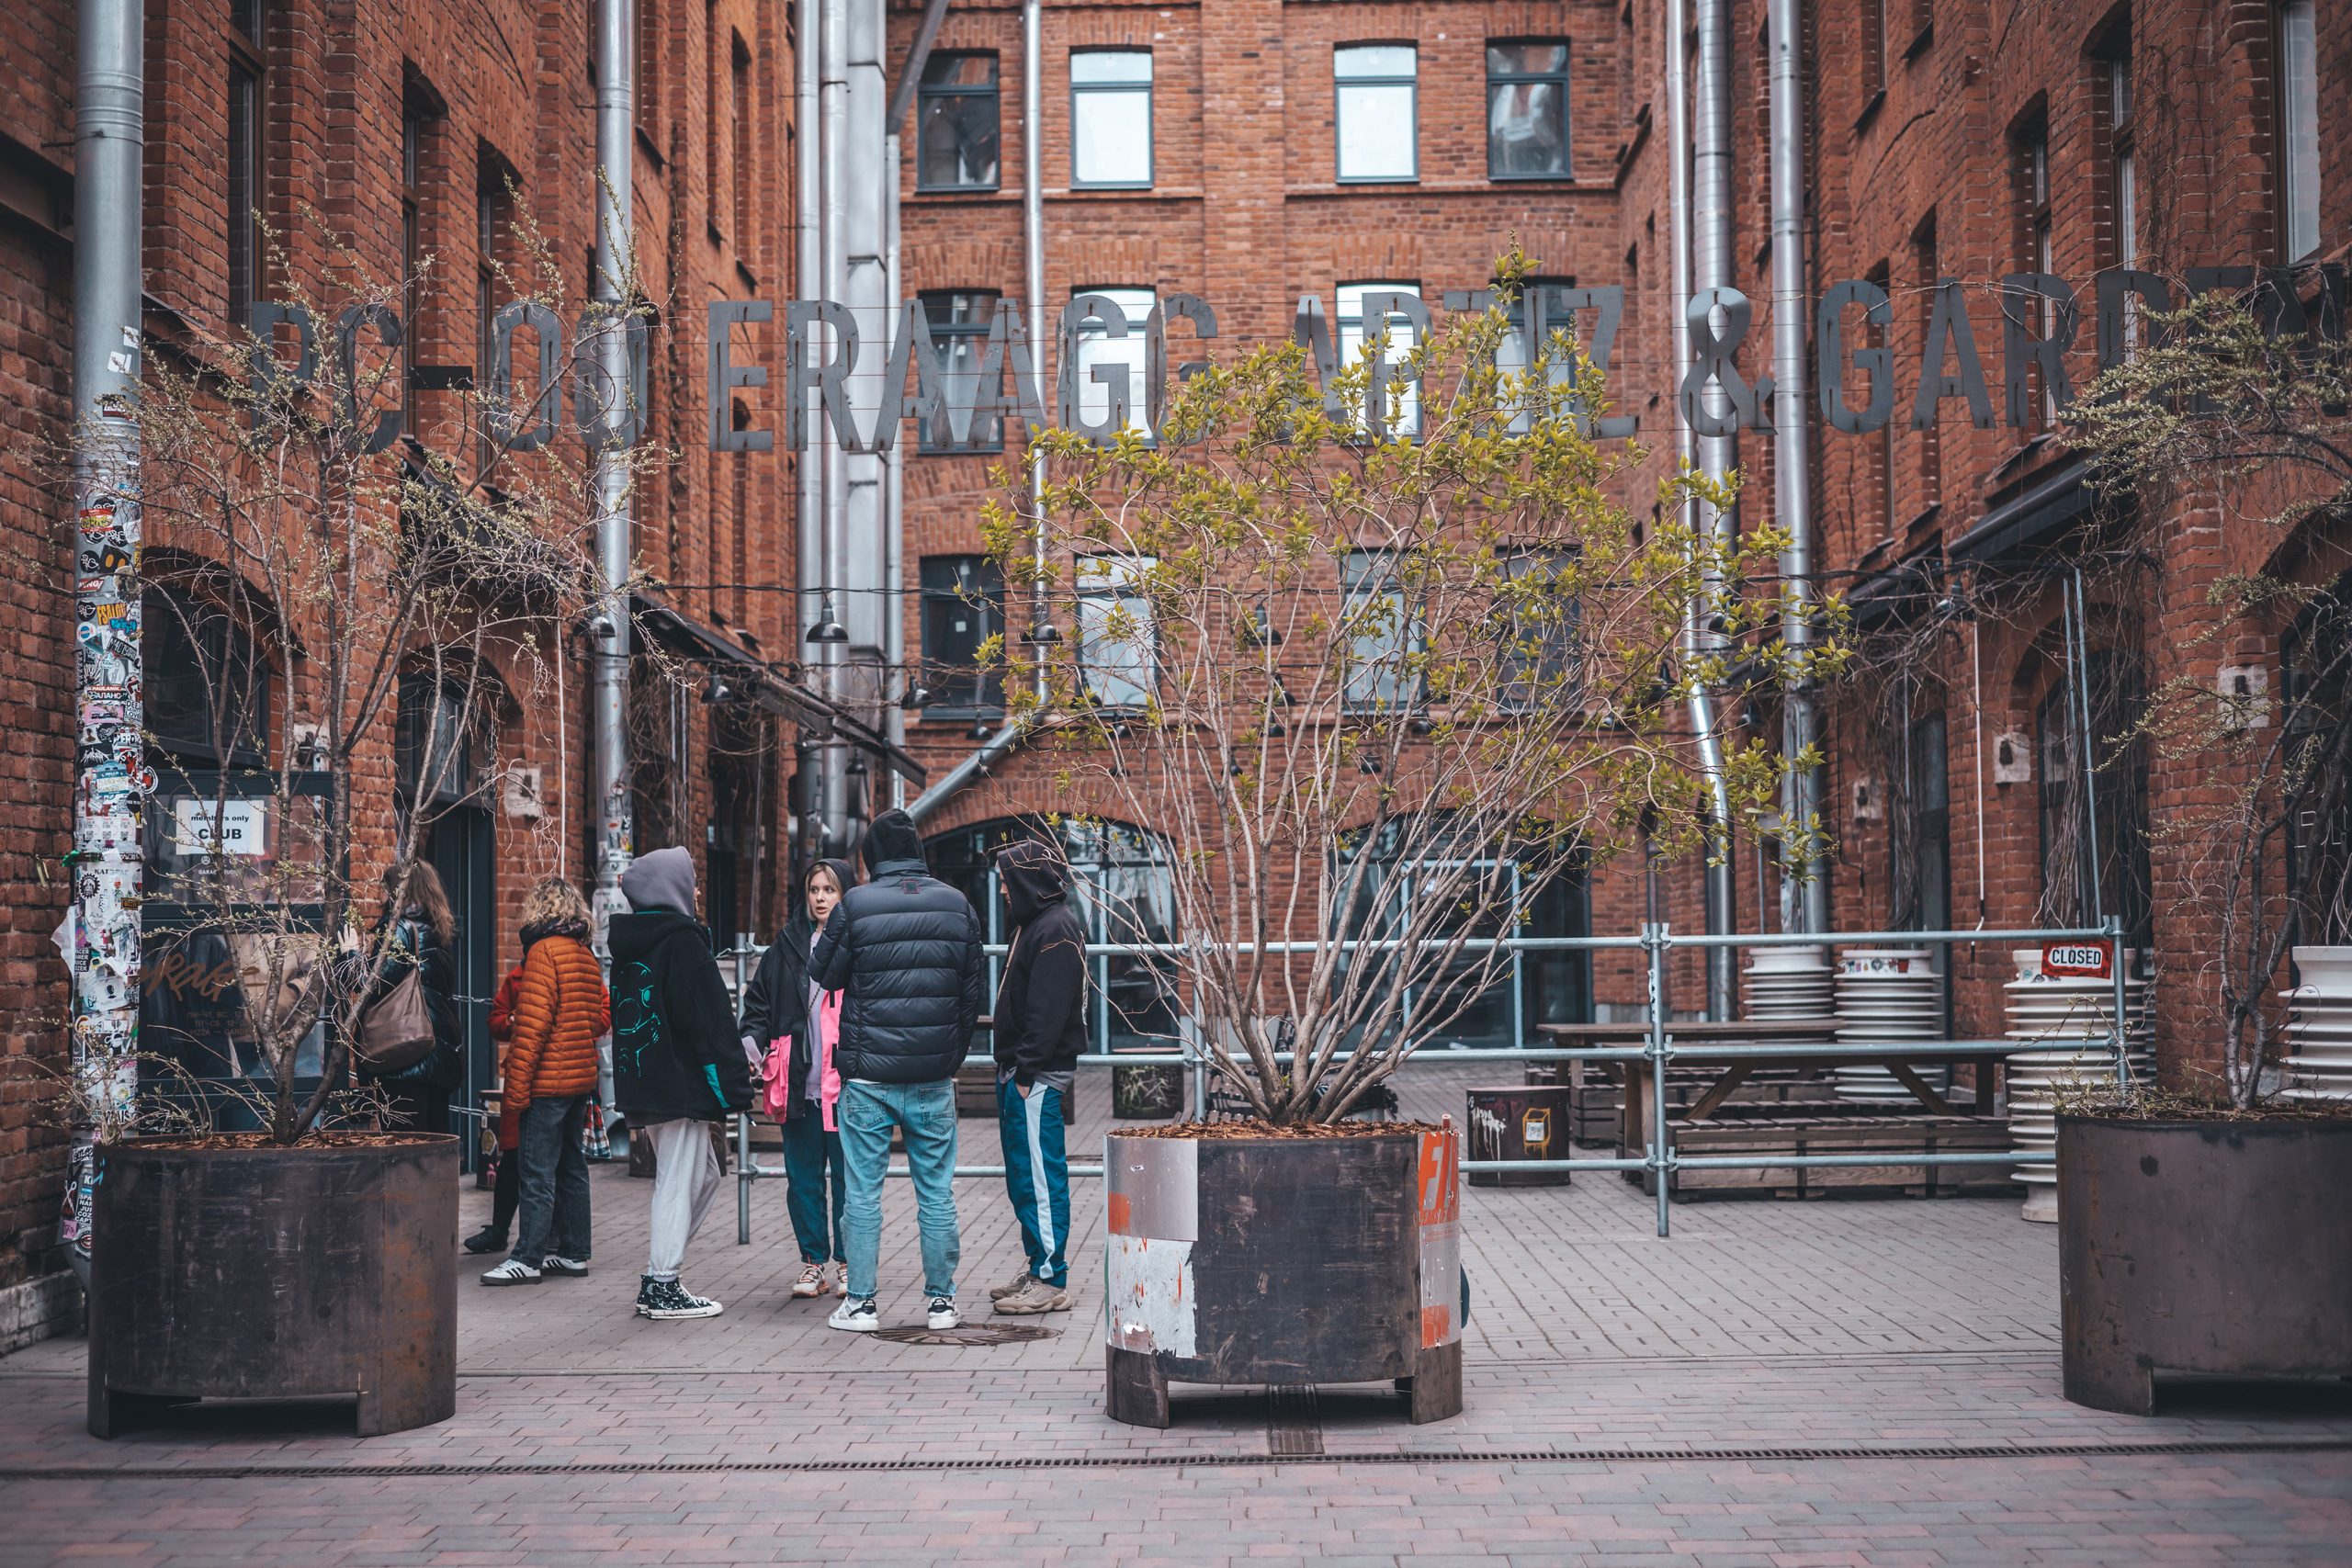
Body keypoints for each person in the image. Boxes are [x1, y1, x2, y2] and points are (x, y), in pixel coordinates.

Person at [808, 808, 984, 1333]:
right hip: (933, 1075)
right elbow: (971, 994)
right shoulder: (957, 904)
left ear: (871, 856)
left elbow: (824, 973)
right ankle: (942, 1304)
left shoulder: (856, 904)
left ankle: (860, 1304)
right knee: (937, 1193)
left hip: (867, 1076)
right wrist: (951, 1056)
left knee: (862, 1194)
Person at [608, 845, 755, 1319]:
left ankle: (660, 1271)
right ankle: (663, 1282)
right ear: (671, 888)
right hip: (680, 1086)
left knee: (704, 1175)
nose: (697, 892)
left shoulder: (633, 944)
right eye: (691, 882)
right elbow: (710, 1022)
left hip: (648, 1083)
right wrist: (735, 1084)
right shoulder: (682, 942)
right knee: (677, 1180)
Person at [481, 879, 611, 1286]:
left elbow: (532, 1028)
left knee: (536, 1171)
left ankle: (528, 1258)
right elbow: (597, 1020)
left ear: (539, 909)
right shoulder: (584, 956)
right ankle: (574, 1253)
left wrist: (517, 1090)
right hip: (579, 1080)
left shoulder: (542, 953)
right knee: (572, 1168)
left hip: (548, 1082)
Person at [738, 858, 854, 1299]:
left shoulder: (858, 946)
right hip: (798, 1084)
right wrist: (752, 1045)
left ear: (845, 894)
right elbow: (757, 1007)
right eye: (814, 890)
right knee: (802, 1179)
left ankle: (848, 1262)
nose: (820, 898)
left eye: (829, 889)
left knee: (848, 1181)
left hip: (847, 1087)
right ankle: (813, 1263)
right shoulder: (785, 947)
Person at [985, 839, 1086, 1314]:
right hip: (1023, 1072)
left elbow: (1048, 1011)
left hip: (1035, 1076)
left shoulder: (1055, 928)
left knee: (1041, 1179)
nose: (1003, 889)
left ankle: (1051, 1278)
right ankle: (1039, 1266)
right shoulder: (1034, 925)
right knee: (1024, 1178)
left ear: (1026, 879)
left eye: (1006, 879)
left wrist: (1025, 1071)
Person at [343, 861, 464, 1136]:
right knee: (433, 1145)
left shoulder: (401, 929)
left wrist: (349, 956)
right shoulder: (436, 931)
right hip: (437, 1054)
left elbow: (373, 984)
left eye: (384, 888)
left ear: (397, 891)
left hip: (405, 1055)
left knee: (404, 1148)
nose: (379, 897)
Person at [464, 959, 528, 1254]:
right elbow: (495, 1021)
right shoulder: (517, 977)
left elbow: (600, 1016)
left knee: (557, 1161)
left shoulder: (575, 965)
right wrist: (513, 1020)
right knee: (511, 1156)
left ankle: (554, 1237)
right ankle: (500, 1229)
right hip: (521, 1077)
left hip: (560, 1077)